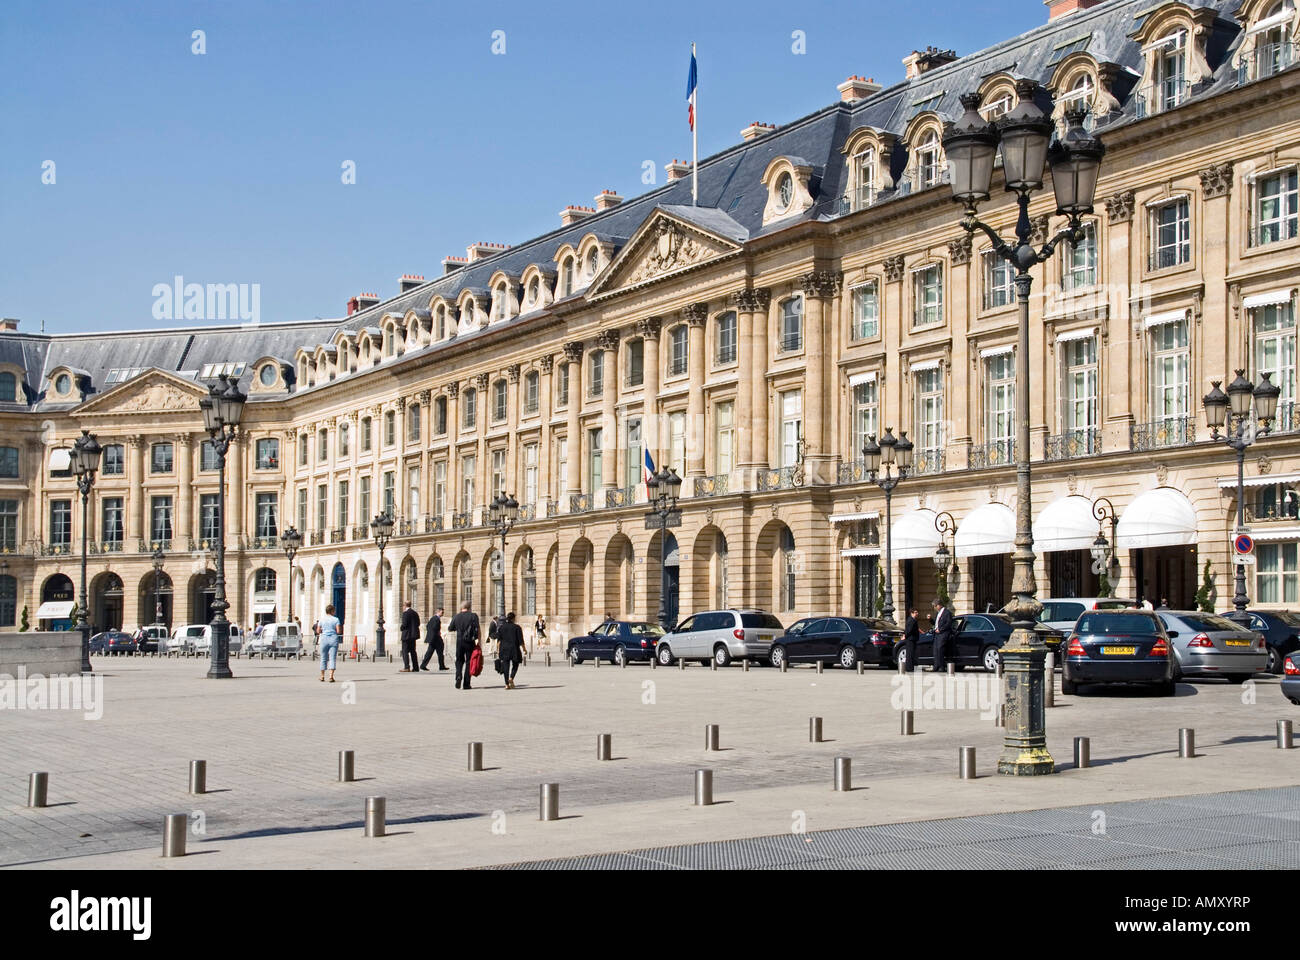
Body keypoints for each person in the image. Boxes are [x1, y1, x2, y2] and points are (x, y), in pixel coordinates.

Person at [450, 601, 481, 690]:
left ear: (461, 608)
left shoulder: (456, 616)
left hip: (459, 642)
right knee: (468, 662)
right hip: (470, 642)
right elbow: (478, 629)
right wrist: (478, 641)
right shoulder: (473, 616)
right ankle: (466, 684)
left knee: (459, 660)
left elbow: (450, 628)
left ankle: (458, 675)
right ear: (469, 607)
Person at [496, 611, 525, 689]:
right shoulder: (517, 627)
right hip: (514, 649)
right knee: (516, 664)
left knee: (506, 666)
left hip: (504, 649)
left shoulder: (501, 627)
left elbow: (498, 640)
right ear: (513, 619)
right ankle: (511, 678)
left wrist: (498, 650)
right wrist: (524, 649)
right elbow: (521, 640)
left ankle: (506, 684)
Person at [318, 604, 341, 683]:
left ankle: (322, 676)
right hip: (333, 639)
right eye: (334, 611)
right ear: (332, 611)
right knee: (332, 658)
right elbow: (338, 631)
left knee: (323, 658)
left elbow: (318, 631)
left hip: (324, 638)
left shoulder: (322, 620)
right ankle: (331, 676)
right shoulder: (336, 619)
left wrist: (323, 630)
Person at [931, 598, 953, 673]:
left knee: (940, 650)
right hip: (937, 634)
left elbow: (948, 624)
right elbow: (935, 623)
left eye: (935, 606)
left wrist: (940, 629)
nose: (934, 608)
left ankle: (941, 666)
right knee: (935, 650)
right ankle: (936, 666)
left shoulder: (947, 613)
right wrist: (930, 619)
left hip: (943, 634)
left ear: (939, 605)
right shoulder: (938, 613)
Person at [421, 606, 447, 671]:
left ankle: (423, 665)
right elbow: (435, 628)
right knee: (438, 653)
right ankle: (441, 666)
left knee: (431, 653)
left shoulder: (433, 618)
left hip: (433, 638)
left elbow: (428, 626)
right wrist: (437, 633)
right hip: (435, 639)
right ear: (438, 611)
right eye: (442, 612)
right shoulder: (436, 619)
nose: (443, 613)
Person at [399, 600, 421, 672]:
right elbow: (418, 623)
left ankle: (406, 667)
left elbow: (404, 624)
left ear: (405, 605)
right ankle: (416, 667)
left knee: (405, 651)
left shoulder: (405, 613)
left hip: (406, 635)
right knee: (413, 651)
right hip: (413, 636)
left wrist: (401, 628)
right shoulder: (415, 613)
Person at [903, 607, 920, 673]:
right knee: (910, 654)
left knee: (911, 653)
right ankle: (909, 668)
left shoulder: (911, 619)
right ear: (912, 613)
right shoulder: (912, 620)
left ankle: (910, 667)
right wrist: (905, 635)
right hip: (911, 639)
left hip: (912, 639)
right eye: (915, 612)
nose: (917, 614)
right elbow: (909, 630)